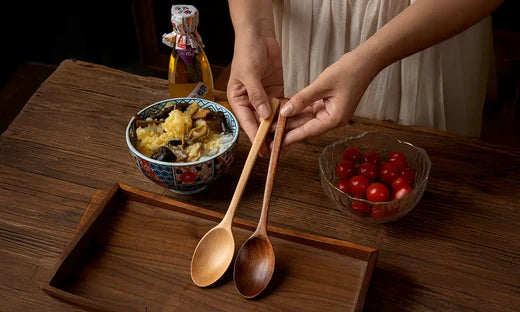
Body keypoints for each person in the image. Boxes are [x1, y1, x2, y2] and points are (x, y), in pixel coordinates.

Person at [226, 0, 502, 156]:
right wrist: (253, 28)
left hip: (425, 23)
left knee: (417, 170)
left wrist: (370, 57)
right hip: (301, 19)